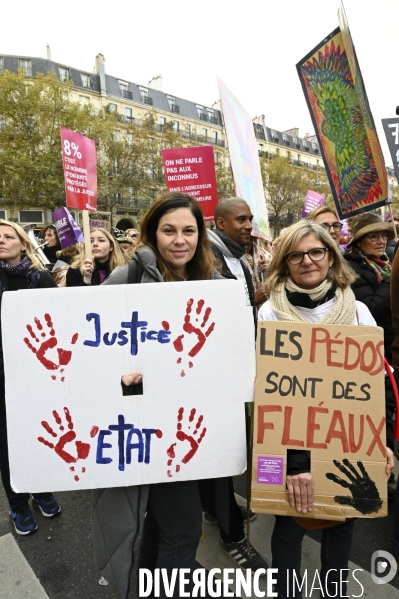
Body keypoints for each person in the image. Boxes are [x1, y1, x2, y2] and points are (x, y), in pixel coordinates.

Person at [91, 192, 223, 599]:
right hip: (145, 427)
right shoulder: (123, 279)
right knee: (184, 530)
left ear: (201, 236)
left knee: (160, 525)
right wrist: (122, 377)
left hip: (192, 426)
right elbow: (90, 360)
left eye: (189, 230)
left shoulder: (214, 286)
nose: (179, 240)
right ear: (151, 233)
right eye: (169, 230)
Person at [258, 219, 395, 598]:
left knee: (342, 527)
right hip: (294, 449)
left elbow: (373, 389)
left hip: (346, 444)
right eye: (296, 255)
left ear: (331, 257)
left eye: (316, 252)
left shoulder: (358, 313)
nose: (308, 261)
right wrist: (297, 465)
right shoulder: (269, 314)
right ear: (285, 263)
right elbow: (274, 398)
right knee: (288, 533)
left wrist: (379, 444)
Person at [203, 198, 268, 573]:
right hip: (216, 372)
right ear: (220, 223)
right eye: (240, 219)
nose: (249, 225)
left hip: (232, 365)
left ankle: (216, 508)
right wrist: (253, 302)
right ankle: (232, 535)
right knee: (223, 450)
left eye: (250, 219)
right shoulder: (210, 257)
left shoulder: (233, 255)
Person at [0, 220, 61, 535]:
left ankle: (41, 488)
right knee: (7, 444)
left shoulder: (41, 279)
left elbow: (59, 323)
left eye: (8, 235)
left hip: (38, 375)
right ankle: (18, 503)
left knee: (39, 434)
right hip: (2, 376)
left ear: (23, 244)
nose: (1, 240)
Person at [344, 213, 395, 364]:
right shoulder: (352, 269)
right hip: (377, 349)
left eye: (384, 236)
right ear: (359, 242)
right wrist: (391, 280)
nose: (381, 242)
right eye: (374, 237)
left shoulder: (385, 265)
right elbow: (370, 310)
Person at [241, 235, 271, 314]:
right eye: (241, 221)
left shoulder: (266, 257)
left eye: (250, 222)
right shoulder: (232, 258)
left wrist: (268, 273)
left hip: (266, 318)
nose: (248, 226)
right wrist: (254, 300)